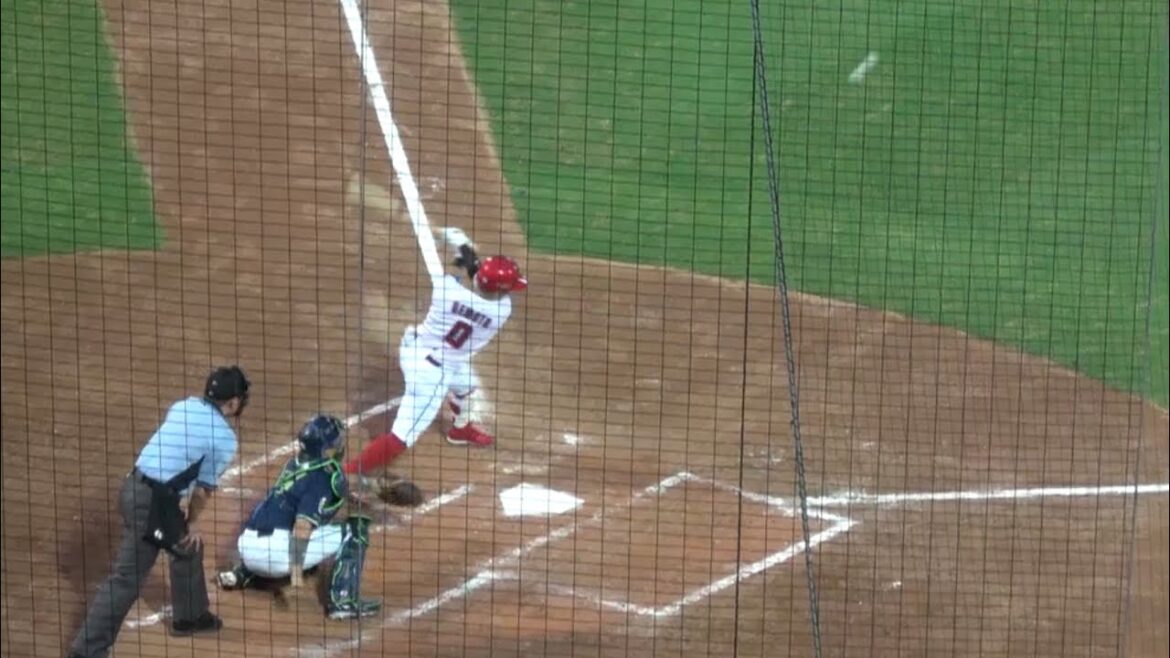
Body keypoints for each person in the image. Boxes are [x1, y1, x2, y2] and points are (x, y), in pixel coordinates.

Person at [67, 365, 250, 658]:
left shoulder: (184, 406)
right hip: (150, 505)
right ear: (232, 402)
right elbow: (202, 491)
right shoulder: (224, 439)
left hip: (132, 488)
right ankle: (86, 650)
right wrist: (190, 522)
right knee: (126, 580)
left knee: (187, 547)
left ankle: (190, 616)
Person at [341, 227, 527, 481]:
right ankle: (347, 472)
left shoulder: (446, 289)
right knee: (401, 438)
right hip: (431, 375)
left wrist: (458, 244)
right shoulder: (501, 311)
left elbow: (471, 273)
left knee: (467, 385)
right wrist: (465, 248)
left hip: (413, 347)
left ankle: (459, 430)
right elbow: (477, 275)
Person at [215, 414, 381, 619]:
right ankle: (343, 601)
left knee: (280, 517)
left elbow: (330, 490)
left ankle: (241, 574)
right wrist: (295, 572)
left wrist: (361, 497)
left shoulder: (292, 465)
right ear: (325, 447)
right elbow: (302, 525)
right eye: (335, 441)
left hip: (247, 550)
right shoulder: (323, 477)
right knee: (354, 530)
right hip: (274, 559)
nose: (339, 445)